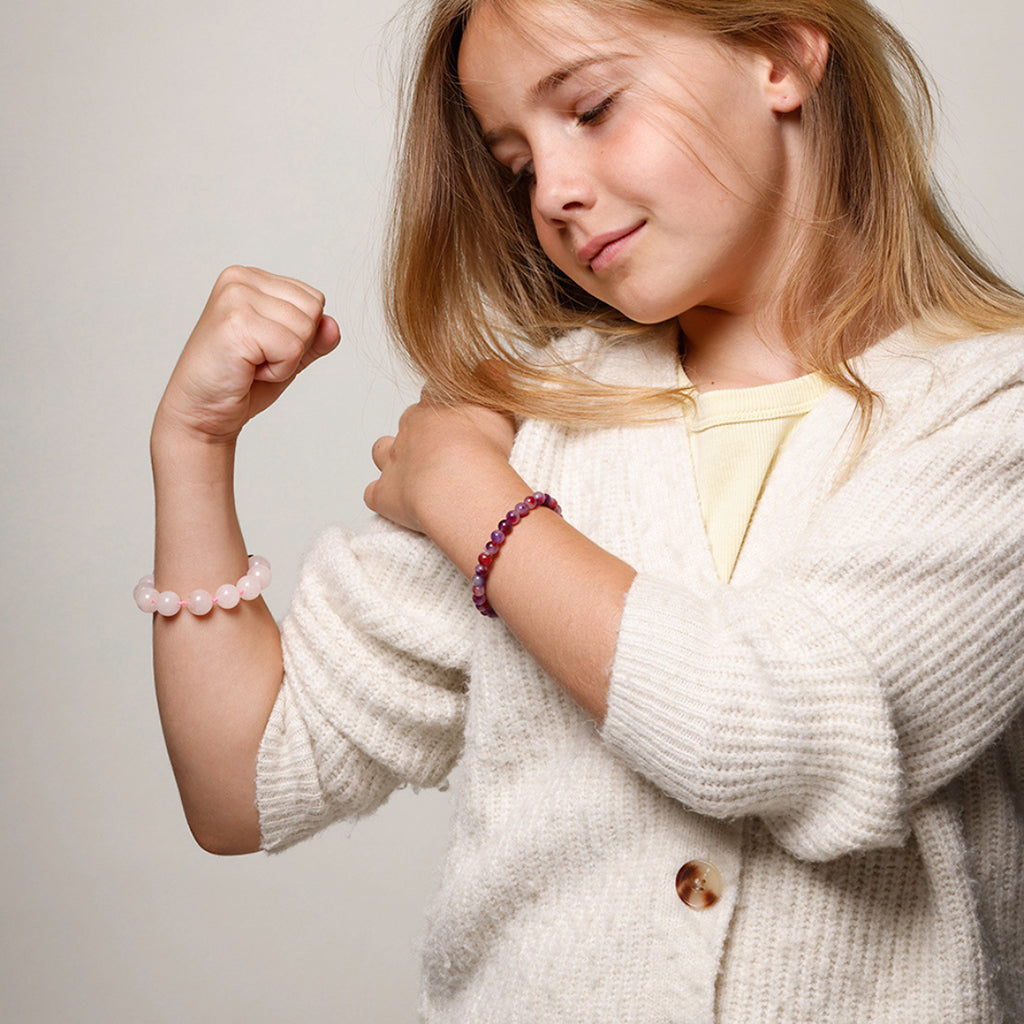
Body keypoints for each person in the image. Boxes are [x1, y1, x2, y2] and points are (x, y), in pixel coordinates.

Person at [143, 0, 1024, 1020]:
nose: (553, 192)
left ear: (779, 57)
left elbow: (772, 730)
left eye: (594, 108)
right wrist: (193, 448)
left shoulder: (988, 413)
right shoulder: (533, 426)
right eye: (516, 165)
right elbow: (247, 780)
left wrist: (471, 501)